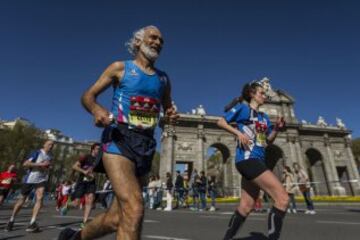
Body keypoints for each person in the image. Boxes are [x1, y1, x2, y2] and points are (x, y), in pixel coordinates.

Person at [58, 25, 177, 240]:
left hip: (146, 145)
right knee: (134, 208)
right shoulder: (120, 67)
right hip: (118, 139)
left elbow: (167, 110)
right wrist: (97, 110)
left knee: (117, 218)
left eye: (161, 40)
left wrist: (170, 115)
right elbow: (88, 96)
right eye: (153, 38)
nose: (158, 43)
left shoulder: (163, 79)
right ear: (138, 42)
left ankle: (75, 238)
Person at [217, 81, 288, 240]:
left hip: (258, 160)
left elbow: (267, 142)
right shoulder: (243, 108)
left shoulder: (264, 118)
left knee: (246, 206)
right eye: (261, 93)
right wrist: (237, 133)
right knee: (282, 198)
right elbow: (221, 121)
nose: (265, 96)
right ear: (252, 94)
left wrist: (276, 128)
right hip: (248, 159)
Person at [5, 140, 54, 232]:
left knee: (40, 197)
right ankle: (11, 220)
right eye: (49, 144)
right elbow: (25, 163)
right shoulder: (36, 152)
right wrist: (41, 164)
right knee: (22, 200)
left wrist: (48, 167)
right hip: (30, 178)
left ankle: (32, 222)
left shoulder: (50, 156)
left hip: (41, 179)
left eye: (52, 145)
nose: (51, 146)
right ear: (44, 145)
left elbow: (48, 167)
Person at [61, 143, 100, 228]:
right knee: (76, 204)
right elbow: (74, 166)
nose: (99, 150)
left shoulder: (99, 160)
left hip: (91, 182)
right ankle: (67, 206)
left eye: (100, 149)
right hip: (82, 182)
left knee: (90, 200)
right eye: (97, 149)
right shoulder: (86, 157)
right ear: (93, 149)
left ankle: (84, 222)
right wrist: (84, 171)